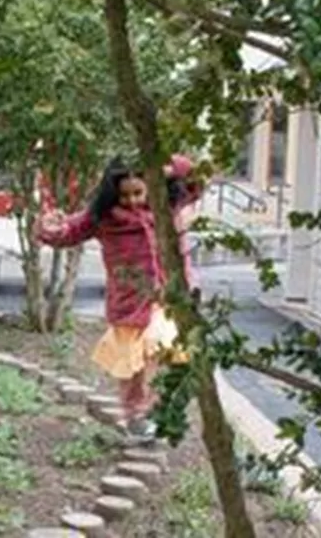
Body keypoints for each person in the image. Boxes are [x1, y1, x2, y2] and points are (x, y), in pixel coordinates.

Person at [36, 154, 203, 439]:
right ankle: (136, 415)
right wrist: (48, 227)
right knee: (132, 367)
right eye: (125, 195)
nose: (133, 201)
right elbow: (68, 233)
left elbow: (196, 180)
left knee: (162, 347)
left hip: (168, 298)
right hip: (129, 303)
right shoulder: (104, 219)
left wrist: (167, 165)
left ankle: (160, 409)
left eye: (138, 192)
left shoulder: (167, 207)